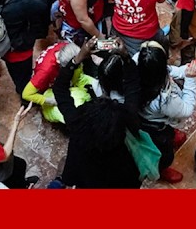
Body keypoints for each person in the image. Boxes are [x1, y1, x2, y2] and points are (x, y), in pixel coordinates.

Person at [51, 38, 143, 188]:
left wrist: (77, 59)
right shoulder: (126, 121)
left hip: (86, 177)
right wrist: (126, 57)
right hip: (120, 177)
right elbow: (133, 87)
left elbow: (59, 89)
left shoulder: (76, 123)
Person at [135, 42, 196, 184]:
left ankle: (171, 135)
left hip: (145, 115)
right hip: (156, 127)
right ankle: (162, 168)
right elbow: (187, 109)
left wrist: (185, 70)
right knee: (164, 152)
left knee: (168, 133)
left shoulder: (140, 63)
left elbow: (167, 69)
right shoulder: (164, 100)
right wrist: (190, 79)